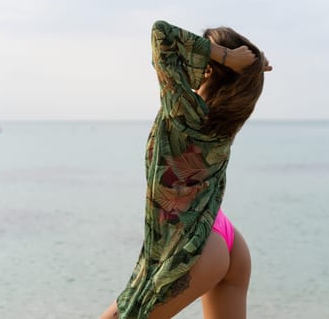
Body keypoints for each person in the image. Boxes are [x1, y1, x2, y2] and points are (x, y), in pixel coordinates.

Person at [100, 20, 272, 319]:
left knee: (125, 313)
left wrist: (226, 56)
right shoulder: (227, 119)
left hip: (194, 243)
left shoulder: (183, 110)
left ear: (208, 67)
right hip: (226, 238)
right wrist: (249, 65)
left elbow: (161, 33)